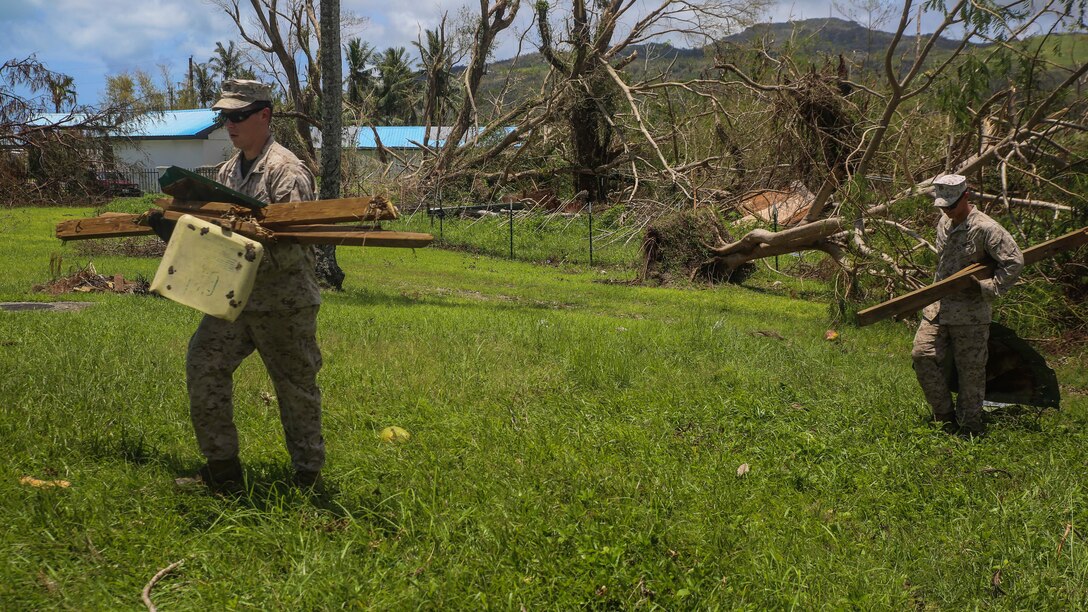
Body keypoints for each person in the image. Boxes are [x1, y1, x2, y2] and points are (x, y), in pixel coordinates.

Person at [174, 79, 325, 490]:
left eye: (238, 116)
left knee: (295, 389)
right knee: (204, 364)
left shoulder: (286, 172)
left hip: (283, 305)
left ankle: (308, 480)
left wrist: (242, 240)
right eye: (225, 116)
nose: (230, 124)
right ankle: (222, 473)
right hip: (234, 301)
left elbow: (294, 251)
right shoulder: (227, 171)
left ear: (264, 115)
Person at [911, 174, 1024, 438]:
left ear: (966, 196)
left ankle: (969, 428)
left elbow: (1014, 262)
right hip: (937, 309)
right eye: (942, 206)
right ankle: (944, 416)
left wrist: (988, 288)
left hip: (970, 315)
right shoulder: (944, 222)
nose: (947, 211)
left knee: (971, 373)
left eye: (951, 205)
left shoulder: (986, 228)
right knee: (922, 356)